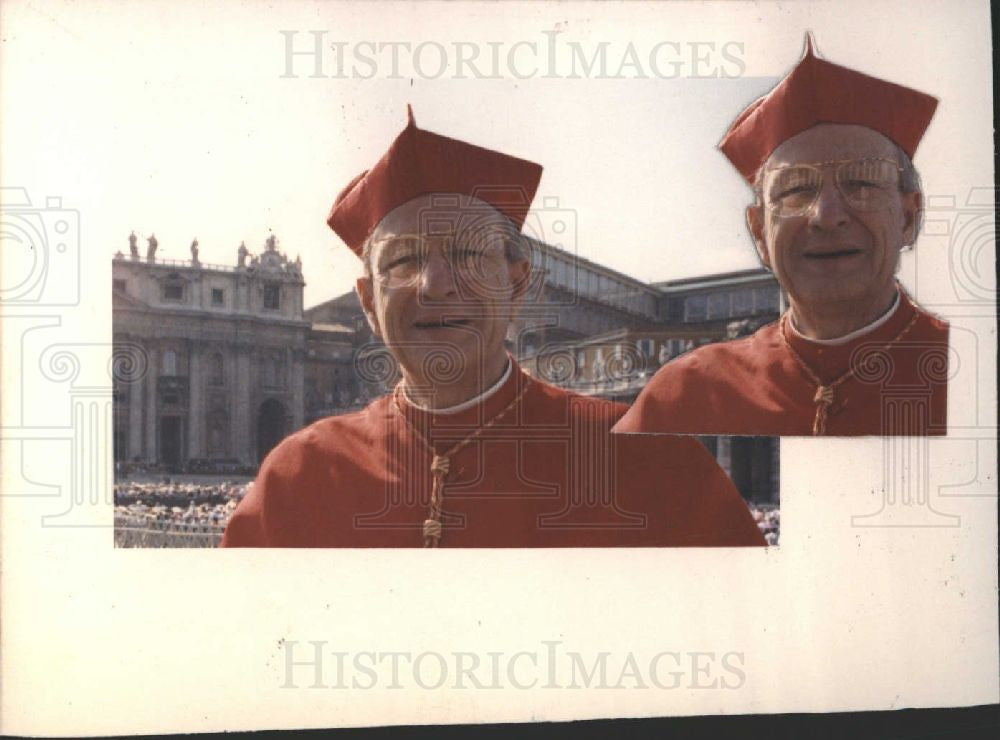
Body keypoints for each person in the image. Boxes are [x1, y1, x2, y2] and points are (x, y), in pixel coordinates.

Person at [222, 106, 764, 547]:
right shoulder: (298, 477)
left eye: (465, 255)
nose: (434, 284)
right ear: (368, 301)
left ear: (518, 282)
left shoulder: (652, 462)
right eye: (403, 262)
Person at [614, 35, 948, 437]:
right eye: (795, 191)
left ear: (909, 217)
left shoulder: (973, 370)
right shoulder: (686, 393)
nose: (826, 216)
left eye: (861, 183)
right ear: (759, 232)